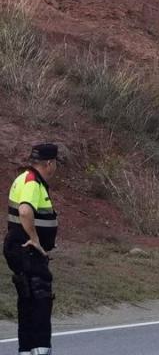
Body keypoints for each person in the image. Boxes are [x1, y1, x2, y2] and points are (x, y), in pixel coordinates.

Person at [6, 143, 61, 355]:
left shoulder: (24, 178)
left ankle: (26, 350)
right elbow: (25, 210)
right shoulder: (32, 182)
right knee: (40, 299)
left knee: (28, 300)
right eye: (55, 163)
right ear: (49, 163)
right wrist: (35, 239)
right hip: (27, 249)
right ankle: (39, 349)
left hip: (19, 248)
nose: (55, 167)